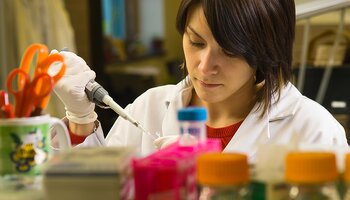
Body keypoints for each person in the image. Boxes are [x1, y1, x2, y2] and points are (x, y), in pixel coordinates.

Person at [53, 0, 348, 162]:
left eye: (229, 51)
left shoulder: (314, 131)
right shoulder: (149, 108)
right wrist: (81, 119)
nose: (205, 66)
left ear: (266, 53)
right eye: (196, 42)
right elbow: (89, 190)